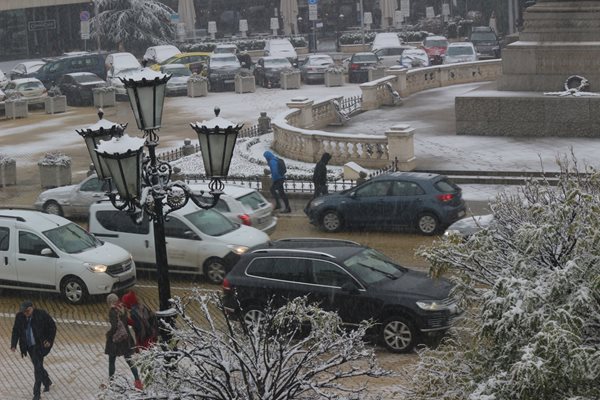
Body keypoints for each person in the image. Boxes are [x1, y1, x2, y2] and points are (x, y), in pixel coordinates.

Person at [11, 300, 56, 400]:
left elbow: (52, 327)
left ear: (33, 308)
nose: (25, 313)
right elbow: (15, 331)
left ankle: (37, 394)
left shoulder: (41, 314)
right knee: (38, 365)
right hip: (29, 346)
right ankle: (47, 381)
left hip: (40, 345)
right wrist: (13, 344)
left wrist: (49, 340)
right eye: (24, 312)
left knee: (37, 368)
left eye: (27, 311)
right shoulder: (19, 317)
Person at [104, 293, 143, 390]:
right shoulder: (123, 308)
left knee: (112, 361)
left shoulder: (112, 311)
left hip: (116, 340)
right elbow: (125, 322)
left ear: (109, 302)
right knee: (129, 360)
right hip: (126, 338)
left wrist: (109, 334)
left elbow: (114, 327)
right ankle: (137, 381)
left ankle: (111, 381)